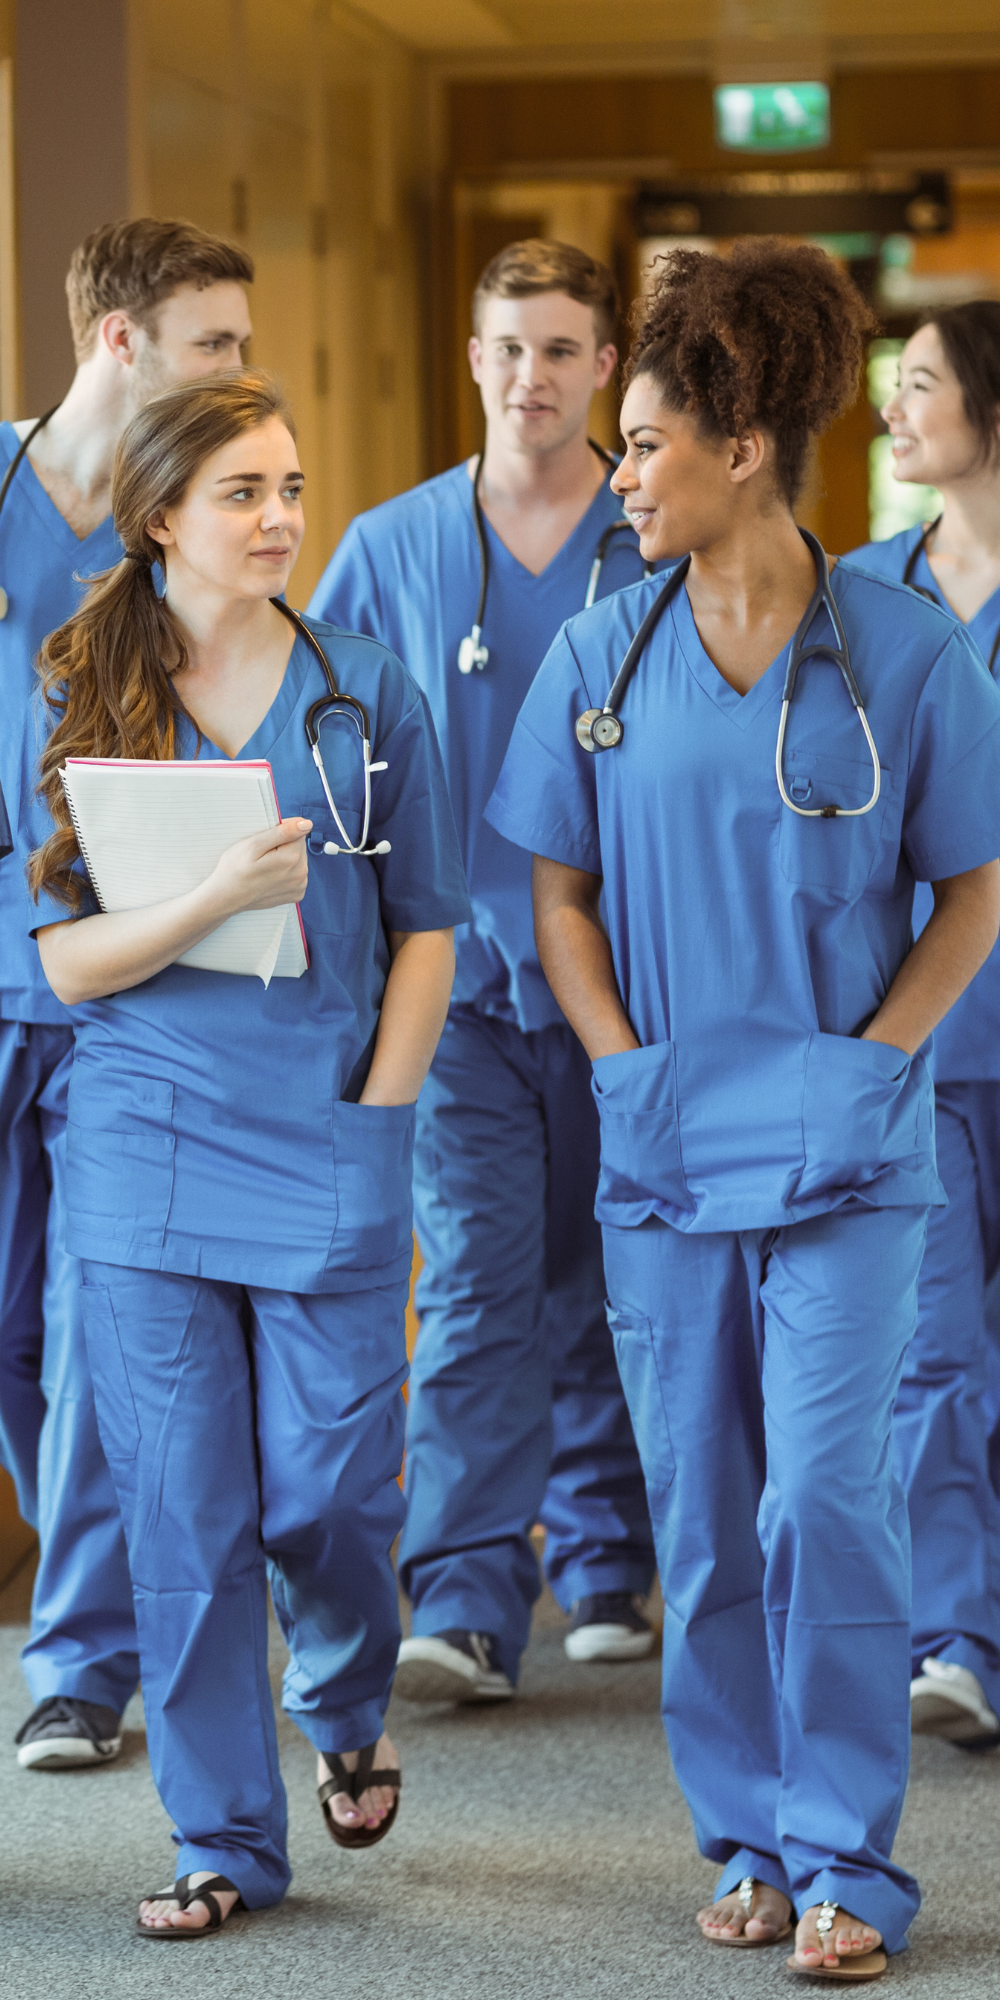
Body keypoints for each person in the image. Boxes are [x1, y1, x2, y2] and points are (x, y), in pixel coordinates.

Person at [484, 240, 1000, 1976]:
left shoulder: (910, 653)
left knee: (825, 1505)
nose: (614, 474)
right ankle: (751, 1841)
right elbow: (553, 897)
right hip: (666, 1138)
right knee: (705, 1518)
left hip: (852, 1155)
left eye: (642, 444)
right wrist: (618, 1061)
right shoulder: (600, 659)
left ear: (746, 448)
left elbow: (976, 892)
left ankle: (852, 1856)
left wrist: (879, 1059)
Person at [19, 369, 469, 1934]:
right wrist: (211, 897)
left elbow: (429, 932)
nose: (283, 519)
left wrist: (380, 1112)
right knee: (185, 1513)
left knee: (333, 1495)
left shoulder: (368, 691)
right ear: (159, 521)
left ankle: (344, 1700)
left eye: (292, 488)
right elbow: (62, 963)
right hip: (142, 1139)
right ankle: (223, 1838)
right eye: (244, 495)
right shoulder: (71, 688)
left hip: (330, 1133)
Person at [310, 240, 656, 1704]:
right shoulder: (391, 548)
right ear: (473, 360)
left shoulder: (657, 537)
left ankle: (603, 1557)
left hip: (628, 980)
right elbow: (315, 731)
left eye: (564, 350)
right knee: (474, 1281)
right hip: (452, 988)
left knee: (613, 1267)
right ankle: (461, 1590)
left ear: (605, 368)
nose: (534, 379)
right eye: (510, 348)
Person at [0, 217, 255, 1771]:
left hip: (122, 978)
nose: (241, 369)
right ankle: (132, 1589)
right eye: (214, 343)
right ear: (120, 344)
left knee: (106, 1320)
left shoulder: (191, 520)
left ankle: (82, 1659)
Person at [843, 303, 1000, 1748]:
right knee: (939, 1351)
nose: (893, 411)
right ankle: (961, 1637)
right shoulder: (860, 599)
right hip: (925, 1038)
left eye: (924, 387)